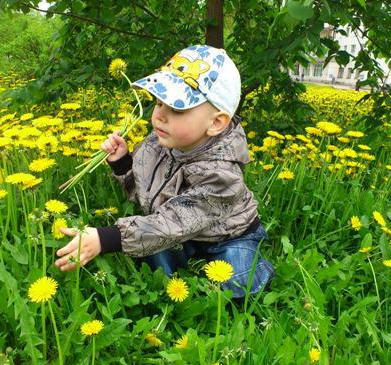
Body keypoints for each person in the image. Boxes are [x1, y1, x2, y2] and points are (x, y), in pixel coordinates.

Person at [54, 45, 274, 299]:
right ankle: (163, 294)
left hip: (229, 235)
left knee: (238, 280)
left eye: (177, 109)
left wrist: (107, 238)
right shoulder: (157, 144)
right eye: (159, 103)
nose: (159, 116)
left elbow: (172, 223)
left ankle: (256, 273)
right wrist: (123, 164)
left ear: (216, 123)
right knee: (150, 254)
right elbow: (146, 197)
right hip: (180, 231)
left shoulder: (222, 175)